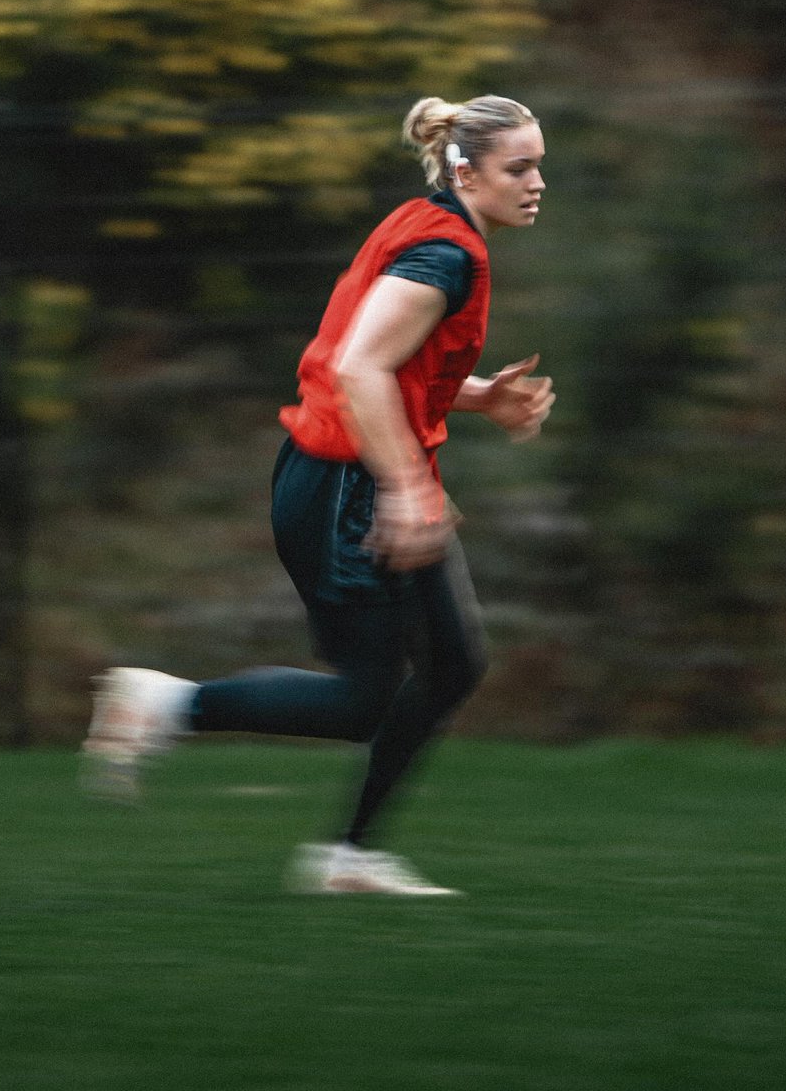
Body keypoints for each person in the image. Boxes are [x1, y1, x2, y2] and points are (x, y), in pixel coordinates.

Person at [82, 93, 554, 896]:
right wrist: (405, 489)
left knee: (453, 663)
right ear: (467, 171)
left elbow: (389, 362)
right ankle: (166, 707)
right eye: (520, 167)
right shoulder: (444, 255)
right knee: (359, 702)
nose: (537, 181)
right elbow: (357, 368)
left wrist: (475, 398)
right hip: (348, 488)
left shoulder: (433, 226)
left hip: (353, 477)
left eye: (539, 163)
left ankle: (350, 858)